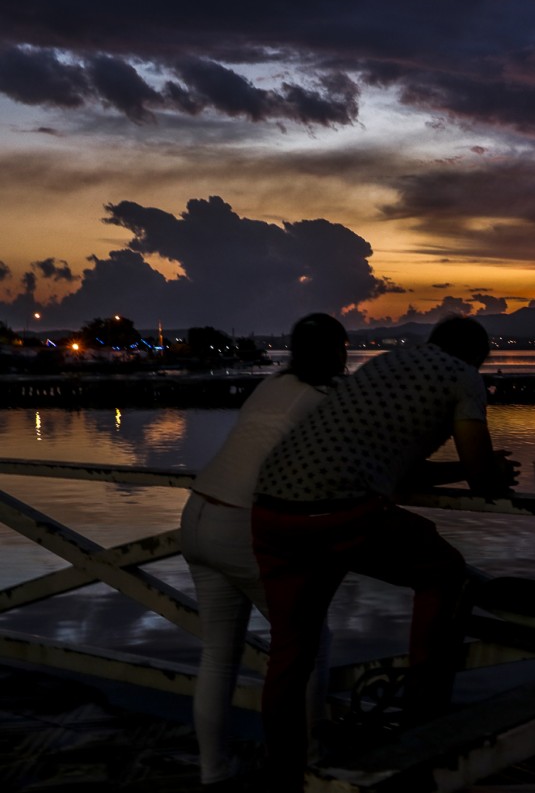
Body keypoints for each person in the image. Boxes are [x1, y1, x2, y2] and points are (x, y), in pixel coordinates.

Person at [250, 315, 518, 791]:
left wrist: (466, 470)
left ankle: (282, 774)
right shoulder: (464, 377)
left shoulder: (387, 364)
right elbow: (481, 476)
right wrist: (496, 474)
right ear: (478, 356)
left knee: (290, 654)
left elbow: (400, 470)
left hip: (272, 512)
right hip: (339, 511)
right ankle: (421, 718)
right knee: (444, 572)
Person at [180, 313, 348, 787]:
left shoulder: (273, 383)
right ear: (336, 350)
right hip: (239, 523)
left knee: (218, 653)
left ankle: (214, 772)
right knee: (309, 643)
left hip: (197, 512)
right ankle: (312, 758)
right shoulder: (324, 399)